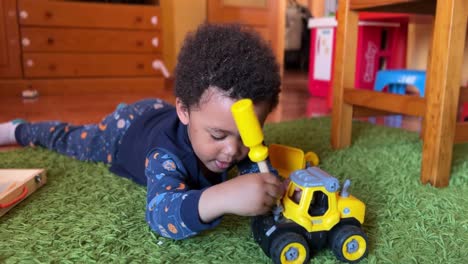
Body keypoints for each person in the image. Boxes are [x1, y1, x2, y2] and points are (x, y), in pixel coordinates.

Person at [0, 23, 284, 240]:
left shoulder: (239, 138)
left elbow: (259, 170)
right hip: (123, 131)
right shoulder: (165, 155)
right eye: (218, 136)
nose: (233, 150)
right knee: (72, 139)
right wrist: (223, 196)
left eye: (246, 135)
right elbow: (160, 213)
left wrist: (274, 185)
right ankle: (20, 130)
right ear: (184, 111)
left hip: (160, 111)